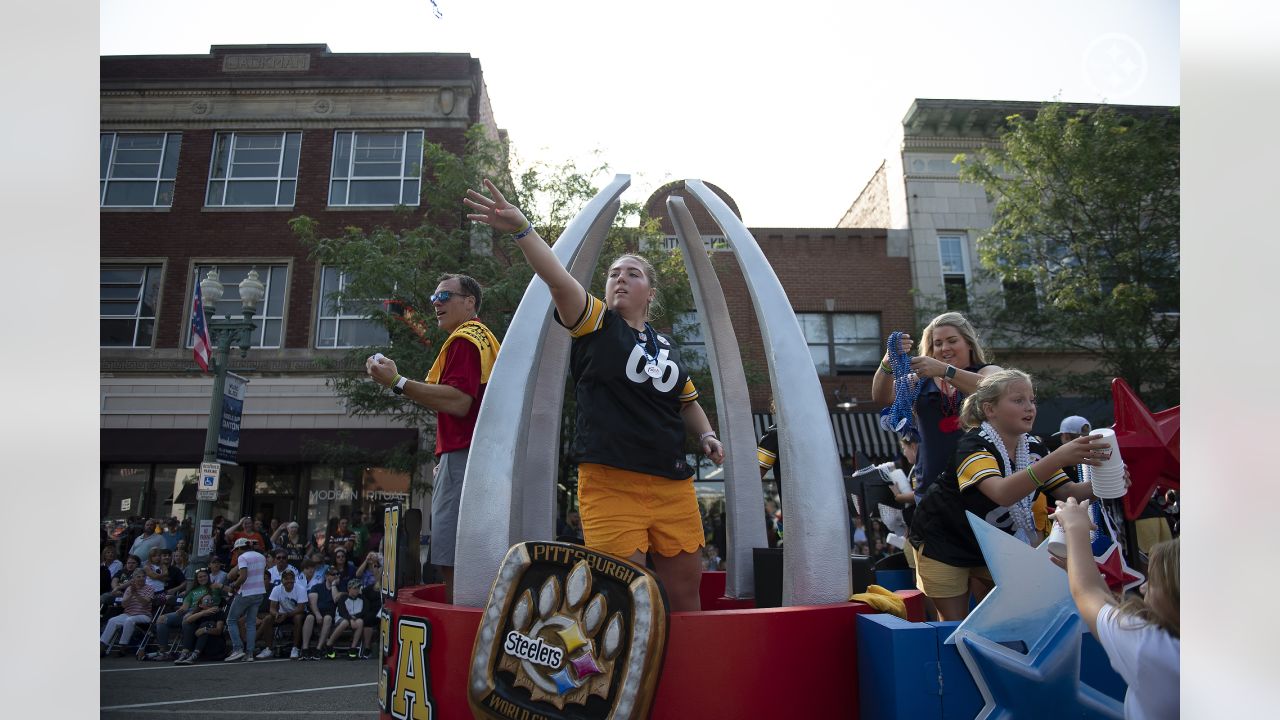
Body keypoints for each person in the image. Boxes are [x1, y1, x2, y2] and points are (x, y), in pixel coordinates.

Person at [465, 179, 724, 612]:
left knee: (684, 598)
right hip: (610, 481)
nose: (620, 278)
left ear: (650, 293)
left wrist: (707, 435)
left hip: (673, 483)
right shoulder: (596, 322)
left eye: (633, 274)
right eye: (613, 273)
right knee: (625, 599)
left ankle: (689, 678)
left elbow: (687, 401)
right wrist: (522, 229)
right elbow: (556, 278)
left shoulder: (667, 346)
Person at [907, 369, 1108, 620]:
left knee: (1012, 613)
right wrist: (1059, 456)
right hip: (943, 541)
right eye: (1018, 400)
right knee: (954, 624)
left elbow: (1068, 491)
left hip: (993, 543)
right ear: (990, 409)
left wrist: (1108, 483)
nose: (1030, 408)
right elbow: (1001, 493)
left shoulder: (1033, 446)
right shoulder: (973, 446)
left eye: (1032, 400)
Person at [366, 272, 501, 603]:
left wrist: (397, 381)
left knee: (452, 555)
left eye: (444, 297)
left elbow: (458, 401)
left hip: (463, 455)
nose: (436, 304)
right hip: (479, 456)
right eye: (433, 298)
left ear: (469, 302)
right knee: (474, 554)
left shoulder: (463, 339)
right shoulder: (485, 338)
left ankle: (461, 637)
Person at [1053, 498, 1179, 719]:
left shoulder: (1154, 651)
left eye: (1154, 582)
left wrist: (1075, 526)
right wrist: (1081, 568)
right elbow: (1104, 601)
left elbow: (1087, 592)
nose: (1143, 587)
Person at [872, 313, 1002, 503]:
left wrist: (944, 370)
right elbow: (882, 396)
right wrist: (887, 362)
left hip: (981, 484)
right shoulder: (920, 381)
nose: (945, 348)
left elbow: (996, 387)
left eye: (952, 341)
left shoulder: (986, 371)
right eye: (938, 343)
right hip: (931, 489)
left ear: (968, 343)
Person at [150, 567, 221, 661]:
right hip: (189, 611)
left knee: (187, 618)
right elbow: (185, 606)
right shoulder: (193, 591)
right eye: (200, 577)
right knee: (162, 619)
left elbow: (215, 602)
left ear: (208, 577)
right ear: (197, 579)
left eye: (204, 576)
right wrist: (182, 609)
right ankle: (163, 651)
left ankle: (186, 651)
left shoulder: (213, 587)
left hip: (202, 611)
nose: (202, 578)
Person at [223, 537, 267, 662]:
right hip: (259, 592)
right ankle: (250, 653)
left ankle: (238, 649)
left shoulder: (242, 558)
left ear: (240, 548)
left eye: (236, 550)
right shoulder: (261, 557)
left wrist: (233, 585)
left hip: (246, 592)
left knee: (231, 620)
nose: (236, 553)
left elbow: (243, 577)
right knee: (251, 624)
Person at [100, 570, 156, 655]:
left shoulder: (150, 588)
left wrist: (136, 594)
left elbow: (145, 602)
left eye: (143, 577)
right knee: (112, 620)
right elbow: (124, 605)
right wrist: (130, 594)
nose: (141, 578)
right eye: (138, 577)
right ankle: (102, 646)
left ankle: (123, 646)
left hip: (144, 615)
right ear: (134, 579)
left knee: (129, 620)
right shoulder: (129, 589)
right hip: (128, 613)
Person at [260, 569, 309, 659]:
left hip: (298, 613)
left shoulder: (301, 589)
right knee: (268, 618)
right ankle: (269, 649)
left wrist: (286, 615)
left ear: (294, 579)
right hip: (282, 614)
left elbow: (301, 608)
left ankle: (295, 648)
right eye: (286, 579)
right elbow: (272, 608)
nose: (289, 581)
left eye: (291, 578)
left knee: (298, 618)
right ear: (282, 580)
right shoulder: (277, 589)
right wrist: (276, 615)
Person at [319, 579, 367, 660]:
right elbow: (342, 612)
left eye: (358, 588)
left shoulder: (363, 599)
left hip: (356, 618)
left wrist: (355, 617)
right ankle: (329, 644)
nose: (357, 590)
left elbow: (365, 610)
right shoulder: (343, 598)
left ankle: (353, 649)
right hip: (342, 618)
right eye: (354, 588)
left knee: (360, 622)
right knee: (345, 622)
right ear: (349, 589)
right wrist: (350, 619)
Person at [174, 592, 226, 664]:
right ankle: (185, 653)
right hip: (200, 644)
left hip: (214, 646)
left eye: (212, 600)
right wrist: (203, 613)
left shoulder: (218, 612)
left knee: (207, 624)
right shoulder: (199, 613)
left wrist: (205, 630)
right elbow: (187, 620)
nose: (210, 602)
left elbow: (219, 631)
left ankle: (195, 654)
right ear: (200, 605)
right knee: (187, 624)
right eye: (207, 601)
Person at [304, 567, 342, 660]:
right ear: (326, 576)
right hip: (317, 611)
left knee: (327, 618)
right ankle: (304, 649)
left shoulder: (340, 587)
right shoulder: (317, 587)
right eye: (333, 574)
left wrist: (333, 585)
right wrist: (317, 614)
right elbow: (312, 603)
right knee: (309, 618)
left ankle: (319, 649)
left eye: (337, 574)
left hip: (330, 613)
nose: (336, 576)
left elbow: (336, 599)